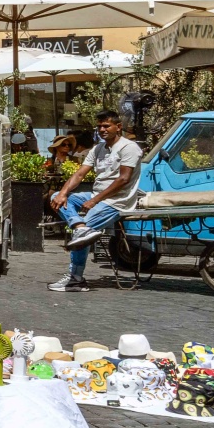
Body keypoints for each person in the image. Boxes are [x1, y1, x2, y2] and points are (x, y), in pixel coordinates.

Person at [50, 110, 142, 293]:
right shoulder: (98, 148)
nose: (102, 129)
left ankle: (76, 278)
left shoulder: (129, 148)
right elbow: (80, 174)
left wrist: (95, 201)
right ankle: (79, 226)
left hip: (117, 201)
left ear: (118, 127)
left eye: (106, 126)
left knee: (82, 236)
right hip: (96, 194)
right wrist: (63, 193)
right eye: (99, 126)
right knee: (56, 197)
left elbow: (123, 179)